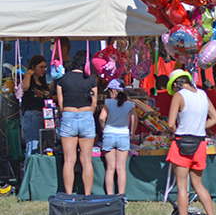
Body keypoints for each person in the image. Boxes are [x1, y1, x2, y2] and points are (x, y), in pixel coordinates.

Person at [166, 70, 216, 215]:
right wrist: (198, 126)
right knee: (199, 185)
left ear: (176, 84)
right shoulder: (203, 95)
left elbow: (170, 123)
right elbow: (215, 118)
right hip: (199, 143)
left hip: (182, 142)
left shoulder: (179, 96)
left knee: (182, 187)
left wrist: (180, 129)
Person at [57, 50, 97, 195]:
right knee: (86, 160)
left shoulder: (62, 80)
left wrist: (66, 114)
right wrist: (88, 114)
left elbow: (60, 103)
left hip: (68, 115)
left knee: (69, 160)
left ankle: (68, 194)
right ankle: (87, 194)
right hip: (86, 115)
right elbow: (94, 103)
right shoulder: (91, 79)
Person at [99, 79, 137, 195]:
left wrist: (103, 127)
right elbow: (134, 119)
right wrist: (132, 133)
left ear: (113, 91)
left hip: (109, 134)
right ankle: (121, 195)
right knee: (121, 168)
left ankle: (110, 195)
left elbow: (101, 118)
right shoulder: (130, 104)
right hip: (123, 135)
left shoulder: (108, 102)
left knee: (110, 168)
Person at [20, 55, 50, 155]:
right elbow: (24, 88)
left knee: (42, 145)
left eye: (45, 67)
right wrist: (28, 74)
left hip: (44, 115)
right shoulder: (28, 80)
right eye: (41, 67)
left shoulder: (43, 83)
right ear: (33, 67)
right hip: (32, 115)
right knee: (33, 143)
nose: (43, 70)